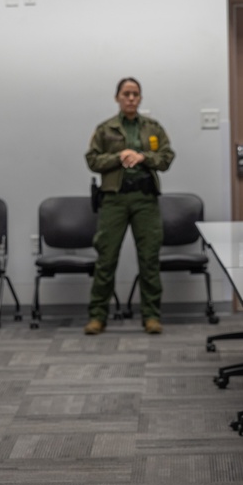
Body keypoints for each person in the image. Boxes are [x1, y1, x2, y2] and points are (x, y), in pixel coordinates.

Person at [84, 77, 175, 335]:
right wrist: (119, 156)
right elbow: (92, 160)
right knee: (106, 258)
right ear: (117, 98)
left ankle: (151, 316)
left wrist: (143, 156)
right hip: (114, 199)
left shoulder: (153, 128)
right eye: (126, 94)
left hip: (145, 199)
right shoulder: (105, 129)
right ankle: (97, 316)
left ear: (140, 97)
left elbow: (167, 158)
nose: (131, 98)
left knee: (149, 258)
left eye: (135, 94)